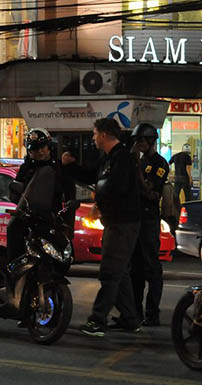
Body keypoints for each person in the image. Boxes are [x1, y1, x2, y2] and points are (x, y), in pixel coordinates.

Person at [63, 118, 142, 337]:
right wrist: (71, 167)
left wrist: (99, 204)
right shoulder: (108, 158)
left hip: (123, 224)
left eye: (95, 134)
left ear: (105, 134)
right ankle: (130, 318)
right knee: (120, 273)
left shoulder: (123, 159)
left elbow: (118, 188)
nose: (93, 138)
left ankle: (97, 320)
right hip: (114, 223)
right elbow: (91, 176)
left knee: (109, 272)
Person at [6, 128, 75, 263]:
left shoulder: (58, 168)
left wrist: (70, 208)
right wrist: (20, 202)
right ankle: (13, 275)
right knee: (13, 230)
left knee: (64, 253)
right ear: (30, 151)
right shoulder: (26, 168)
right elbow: (15, 191)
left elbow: (69, 193)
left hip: (50, 219)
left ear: (49, 147)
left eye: (42, 147)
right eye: (35, 149)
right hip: (29, 218)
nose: (40, 151)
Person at [128, 123, 169, 327]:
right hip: (135, 217)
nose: (138, 144)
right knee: (134, 268)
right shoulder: (139, 161)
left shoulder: (160, 164)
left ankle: (152, 313)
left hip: (149, 219)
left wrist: (136, 169)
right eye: (136, 141)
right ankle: (135, 312)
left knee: (151, 267)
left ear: (151, 141)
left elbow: (149, 190)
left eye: (141, 141)